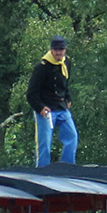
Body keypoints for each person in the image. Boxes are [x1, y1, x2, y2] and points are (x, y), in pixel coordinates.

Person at [27, 36, 78, 166]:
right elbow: (31, 93)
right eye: (56, 50)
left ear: (65, 50)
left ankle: (67, 166)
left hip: (61, 107)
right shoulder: (42, 67)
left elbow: (65, 84)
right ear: (51, 50)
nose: (58, 53)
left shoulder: (66, 63)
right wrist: (40, 108)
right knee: (44, 143)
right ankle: (42, 172)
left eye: (61, 50)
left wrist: (67, 98)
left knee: (72, 136)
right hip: (46, 110)